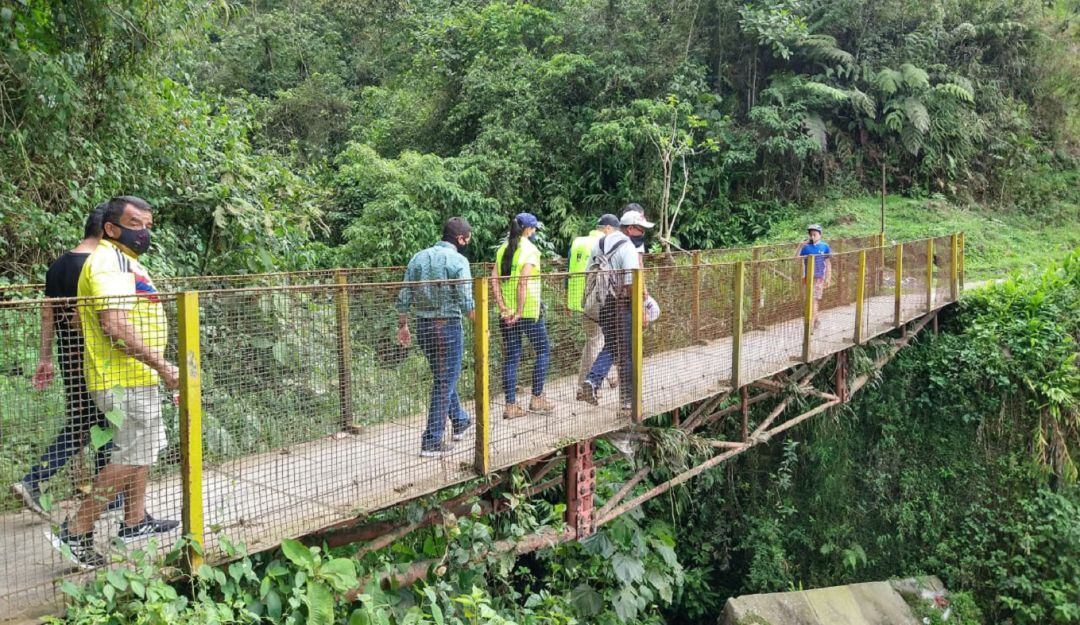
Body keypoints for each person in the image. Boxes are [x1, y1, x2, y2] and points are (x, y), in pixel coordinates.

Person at [48, 196, 180, 569]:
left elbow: (93, 318)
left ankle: (134, 521)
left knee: (143, 448)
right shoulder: (108, 262)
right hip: (123, 379)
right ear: (111, 228)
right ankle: (76, 530)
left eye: (148, 224)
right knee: (129, 455)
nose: (144, 232)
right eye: (136, 223)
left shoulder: (125, 262)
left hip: (136, 376)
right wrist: (164, 365)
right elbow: (114, 325)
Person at [12, 205, 122, 517]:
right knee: (105, 421)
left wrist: (45, 357)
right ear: (106, 231)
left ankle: (103, 496)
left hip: (68, 355)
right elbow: (88, 317)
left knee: (86, 421)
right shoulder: (98, 265)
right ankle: (39, 481)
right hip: (96, 357)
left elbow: (49, 312)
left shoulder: (58, 265)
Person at [396, 217, 475, 457]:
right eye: (468, 237)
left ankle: (460, 420)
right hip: (447, 327)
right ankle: (431, 441)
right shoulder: (458, 260)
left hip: (423, 326)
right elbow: (465, 299)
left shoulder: (418, 257)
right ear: (461, 239)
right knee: (444, 381)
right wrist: (481, 324)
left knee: (444, 377)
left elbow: (405, 293)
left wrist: (403, 325)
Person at [579, 210, 653, 417]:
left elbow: (588, 273)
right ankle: (628, 402)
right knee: (626, 351)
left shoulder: (600, 243)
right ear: (630, 228)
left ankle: (592, 380)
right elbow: (631, 284)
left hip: (603, 305)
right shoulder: (628, 247)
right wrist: (641, 311)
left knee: (613, 345)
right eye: (640, 229)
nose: (642, 233)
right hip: (621, 305)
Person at [491, 213, 553, 419]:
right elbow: (523, 282)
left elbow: (494, 281)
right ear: (528, 230)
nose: (535, 232)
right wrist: (518, 311)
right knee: (543, 351)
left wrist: (504, 308)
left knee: (511, 357)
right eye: (534, 229)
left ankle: (510, 405)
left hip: (507, 314)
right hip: (527, 312)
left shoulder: (502, 249)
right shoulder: (531, 250)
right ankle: (536, 398)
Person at [568, 214, 620, 398]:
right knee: (598, 340)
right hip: (597, 299)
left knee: (598, 339)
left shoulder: (577, 242)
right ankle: (586, 385)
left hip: (578, 298)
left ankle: (608, 376)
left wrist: (569, 300)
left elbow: (570, 268)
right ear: (607, 228)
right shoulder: (604, 243)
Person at [797, 224, 832, 329]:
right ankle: (816, 320)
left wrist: (828, 277)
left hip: (819, 276)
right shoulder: (806, 247)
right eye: (811, 235)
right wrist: (800, 246)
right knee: (809, 299)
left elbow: (828, 263)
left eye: (814, 234)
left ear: (820, 235)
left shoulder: (825, 246)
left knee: (814, 299)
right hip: (807, 276)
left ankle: (811, 324)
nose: (812, 237)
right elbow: (797, 258)